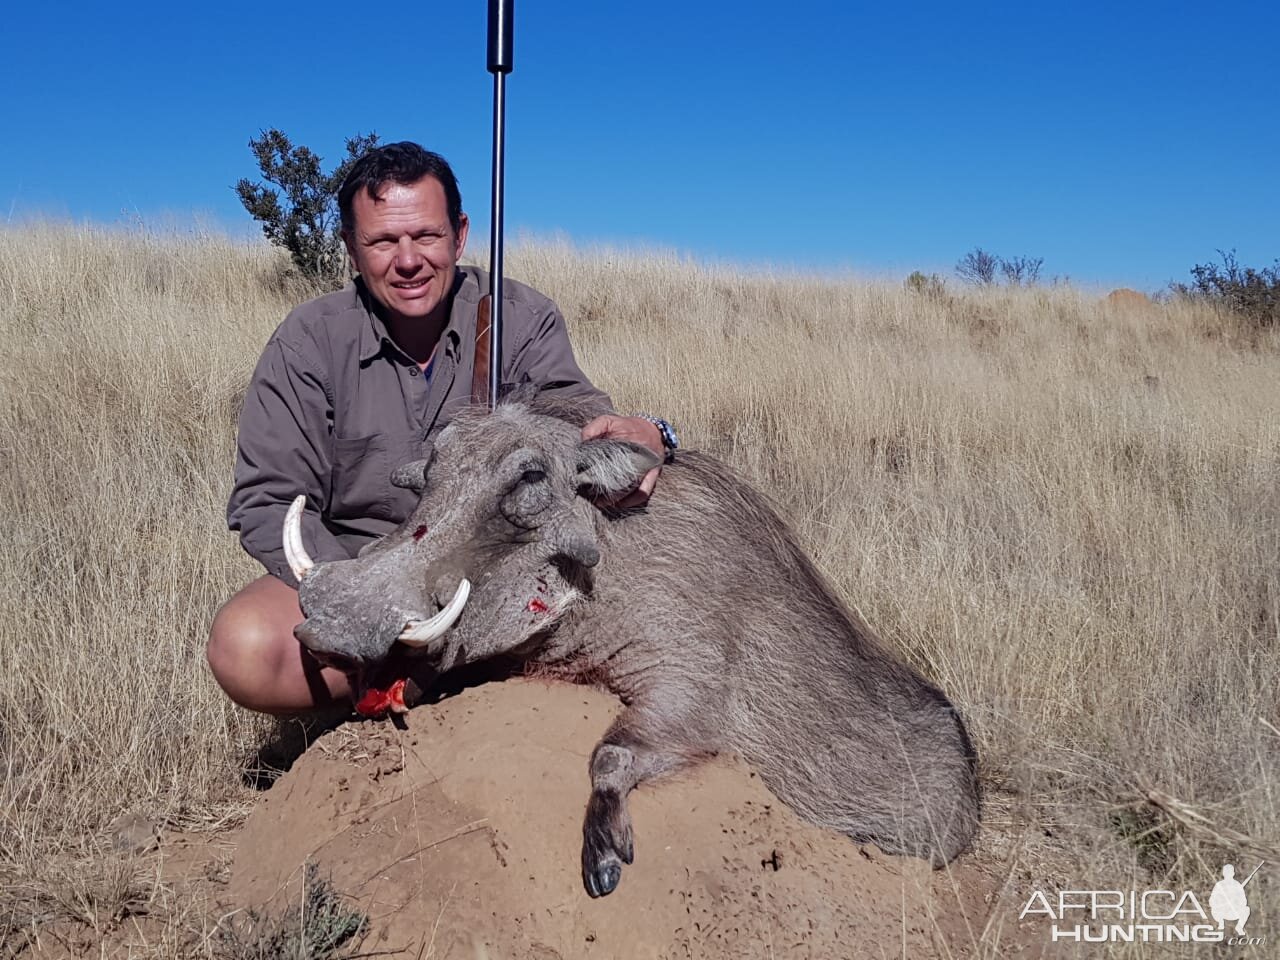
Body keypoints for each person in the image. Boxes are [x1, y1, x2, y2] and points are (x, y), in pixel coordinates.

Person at [207, 142, 677, 715]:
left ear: (458, 234)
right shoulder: (310, 342)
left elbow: (578, 426)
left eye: (426, 236)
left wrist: (654, 432)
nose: (408, 261)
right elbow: (267, 499)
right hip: (362, 560)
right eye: (382, 241)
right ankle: (389, 688)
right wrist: (370, 591)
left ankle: (474, 686)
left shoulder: (521, 319)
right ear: (353, 250)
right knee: (246, 647)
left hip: (495, 568)